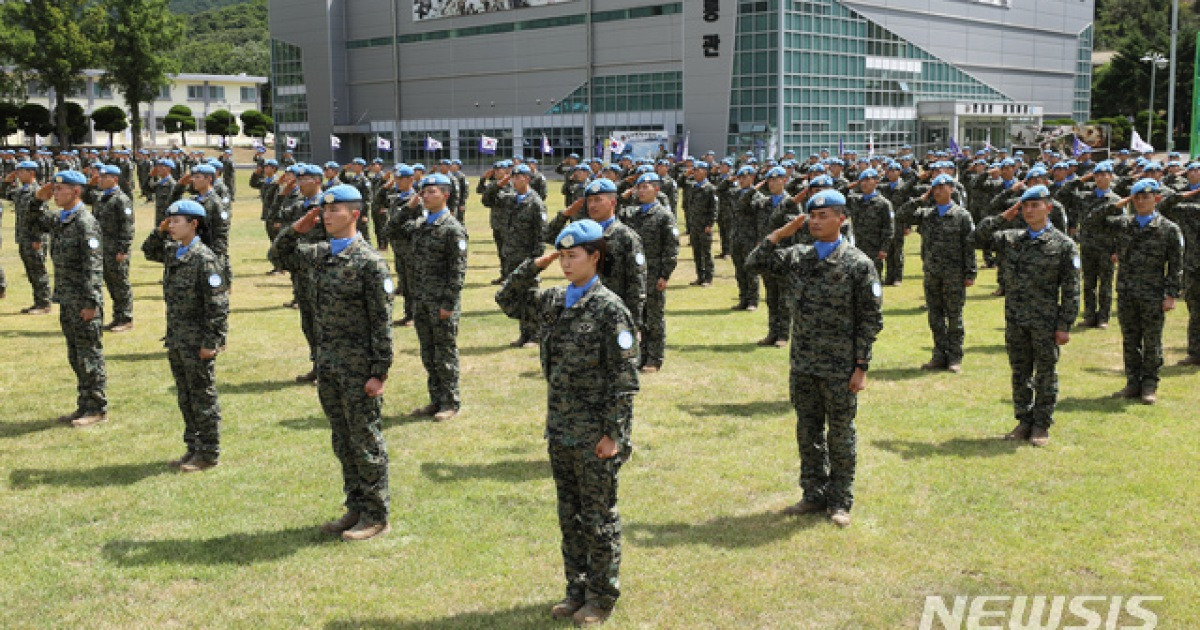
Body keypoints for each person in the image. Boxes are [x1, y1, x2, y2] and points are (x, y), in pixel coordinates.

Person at [495, 219, 639, 627]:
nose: (566, 264)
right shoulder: (555, 300)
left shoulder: (611, 309)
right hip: (561, 429)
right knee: (570, 517)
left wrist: (613, 435)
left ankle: (602, 596)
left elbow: (624, 381)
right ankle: (576, 590)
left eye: (573, 256)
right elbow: (506, 299)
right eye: (562, 256)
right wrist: (536, 265)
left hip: (595, 435)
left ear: (595, 257)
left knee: (598, 518)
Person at [745, 189, 882, 527]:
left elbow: (870, 320)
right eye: (812, 215)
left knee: (840, 434)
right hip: (804, 363)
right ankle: (813, 494)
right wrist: (780, 234)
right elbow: (754, 263)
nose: (816, 221)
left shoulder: (858, 264)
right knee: (808, 432)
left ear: (842, 219)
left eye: (824, 215)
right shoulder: (798, 257)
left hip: (840, 367)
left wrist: (861, 367)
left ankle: (839, 500)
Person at [274, 184, 395, 541]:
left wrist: (379, 372)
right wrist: (298, 227)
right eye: (324, 211)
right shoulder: (319, 254)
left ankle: (376, 514)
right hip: (328, 365)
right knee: (342, 440)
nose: (327, 216)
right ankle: (355, 507)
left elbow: (382, 323)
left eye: (335, 211)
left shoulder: (370, 263)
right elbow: (279, 255)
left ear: (355, 214)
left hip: (359, 370)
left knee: (365, 440)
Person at [974, 186, 1080, 446]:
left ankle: (1042, 425)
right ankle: (1024, 420)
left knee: (1045, 372)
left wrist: (1065, 324)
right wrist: (1005, 215)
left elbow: (1071, 288)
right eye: (1025, 206)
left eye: (1035, 205)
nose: (1030, 210)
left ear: (1049, 208)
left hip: (1045, 321)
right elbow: (977, 237)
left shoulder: (1063, 245)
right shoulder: (1012, 239)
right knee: (1020, 372)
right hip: (1016, 319)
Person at [141, 200, 230, 470]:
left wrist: (211, 342)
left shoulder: (204, 259)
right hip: (178, 337)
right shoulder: (175, 252)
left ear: (194, 224)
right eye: (169, 221)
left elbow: (218, 306)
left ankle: (208, 452)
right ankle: (193, 448)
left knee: (202, 396)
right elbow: (148, 250)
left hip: (197, 340)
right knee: (185, 396)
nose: (171, 226)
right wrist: (160, 230)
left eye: (177, 221)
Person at [32, 171, 109, 427]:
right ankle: (84, 405)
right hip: (67, 298)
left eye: (59, 189)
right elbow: (36, 220)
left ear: (76, 192)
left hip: (83, 301)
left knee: (89, 355)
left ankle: (97, 408)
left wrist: (91, 303)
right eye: (54, 189)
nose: (54, 193)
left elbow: (94, 267)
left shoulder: (85, 222)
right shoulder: (63, 219)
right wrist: (37, 199)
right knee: (76, 355)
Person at [1108, 179, 1185, 404]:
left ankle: (1149, 385)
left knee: (1151, 341)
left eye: (1146, 197)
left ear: (1157, 199)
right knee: (1130, 339)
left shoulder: (1169, 229)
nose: (1141, 202)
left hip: (1153, 293)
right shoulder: (1124, 224)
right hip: (1127, 292)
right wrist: (1117, 204)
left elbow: (1176, 265)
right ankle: (1133, 383)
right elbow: (1094, 223)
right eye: (1137, 198)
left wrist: (1171, 294)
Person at [401, 174, 467, 422]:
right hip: (421, 300)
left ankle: (450, 402)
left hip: (441, 302)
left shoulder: (452, 229)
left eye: (432, 192)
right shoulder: (420, 224)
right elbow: (392, 230)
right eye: (423, 192)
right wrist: (408, 208)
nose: (425, 196)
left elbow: (457, 271)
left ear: (445, 195)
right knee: (428, 352)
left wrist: (448, 304)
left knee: (444, 352)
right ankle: (436, 399)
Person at [898, 174, 977, 373]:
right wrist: (920, 199)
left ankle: (955, 357)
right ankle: (939, 355)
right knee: (935, 316)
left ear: (952, 189)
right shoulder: (926, 214)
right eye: (935, 187)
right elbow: (901, 215)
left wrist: (970, 273)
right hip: (932, 273)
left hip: (954, 274)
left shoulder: (962, 216)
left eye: (942, 187)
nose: (938, 190)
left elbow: (969, 245)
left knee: (954, 317)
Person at [482, 164, 547, 347]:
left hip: (527, 256)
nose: (513, 180)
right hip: (511, 255)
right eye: (513, 177)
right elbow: (487, 200)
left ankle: (535, 335)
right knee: (518, 295)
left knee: (531, 295)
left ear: (527, 179)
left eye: (517, 178)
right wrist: (498, 184)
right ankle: (524, 334)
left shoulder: (535, 203)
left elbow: (541, 234)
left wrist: (535, 260)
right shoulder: (511, 199)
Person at [620, 172, 679, 373]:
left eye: (646, 186)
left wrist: (665, 275)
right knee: (637, 317)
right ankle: (640, 356)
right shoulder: (631, 214)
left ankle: (654, 358)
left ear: (657, 190)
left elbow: (671, 248)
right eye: (639, 187)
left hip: (654, 274)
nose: (642, 190)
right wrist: (623, 195)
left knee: (654, 317)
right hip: (634, 274)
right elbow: (612, 211)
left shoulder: (664, 215)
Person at [5, 160, 52, 313]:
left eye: (21, 171)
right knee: (31, 271)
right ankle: (38, 302)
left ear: (31, 173)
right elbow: (5, 195)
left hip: (34, 238)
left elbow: (41, 216)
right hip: (24, 236)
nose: (18, 174)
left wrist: (37, 238)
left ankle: (44, 303)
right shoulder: (21, 190)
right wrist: (6, 182)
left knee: (38, 270)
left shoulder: (37, 191)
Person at [683, 162, 717, 286]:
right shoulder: (693, 186)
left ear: (705, 172)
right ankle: (700, 276)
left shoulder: (710, 188)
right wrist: (685, 174)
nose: (695, 172)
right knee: (696, 252)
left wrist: (710, 224)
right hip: (694, 225)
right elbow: (681, 182)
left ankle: (708, 278)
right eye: (694, 170)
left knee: (706, 253)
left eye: (698, 170)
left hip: (704, 225)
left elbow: (714, 208)